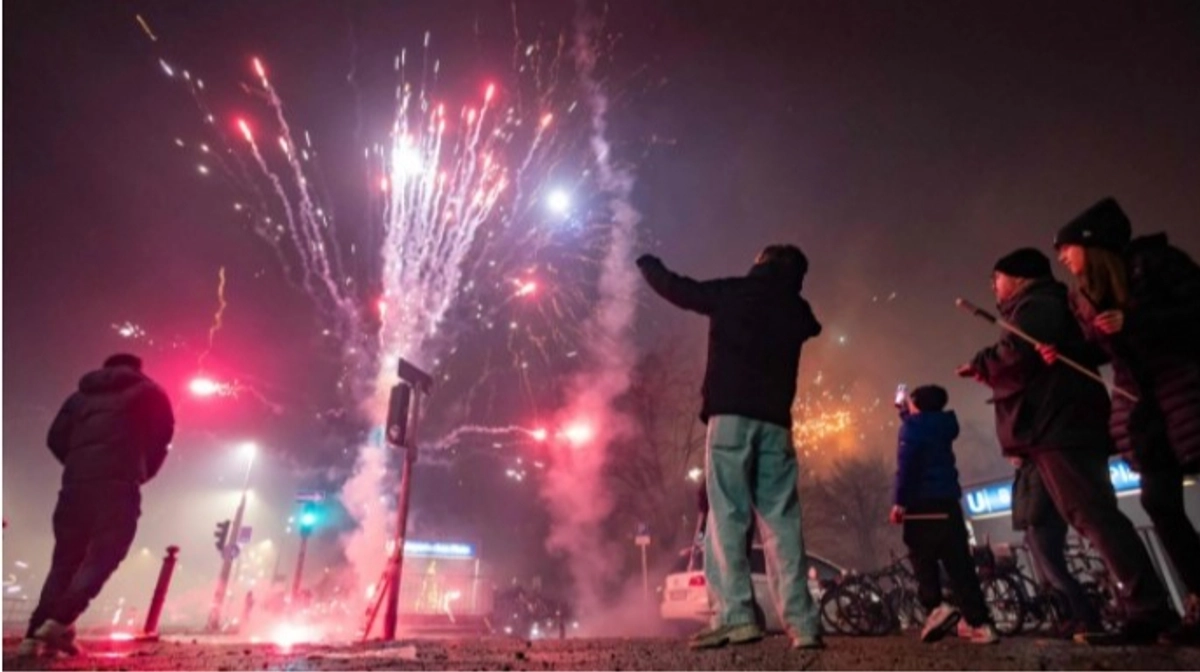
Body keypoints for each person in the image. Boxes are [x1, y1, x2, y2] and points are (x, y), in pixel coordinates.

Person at [958, 247, 1179, 644]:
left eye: (998, 277)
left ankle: (1148, 609)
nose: (993, 286)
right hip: (1057, 426)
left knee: (1094, 515)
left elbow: (1017, 355)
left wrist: (984, 363)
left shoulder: (1037, 305)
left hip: (1059, 427)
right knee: (1090, 516)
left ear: (1020, 277)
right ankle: (1143, 607)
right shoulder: (1041, 305)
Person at [637, 244, 824, 650]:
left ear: (761, 262)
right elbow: (813, 326)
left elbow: (679, 290)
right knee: (782, 522)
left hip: (730, 420)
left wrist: (648, 264)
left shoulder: (733, 293)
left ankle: (735, 617)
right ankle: (803, 625)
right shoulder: (797, 310)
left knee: (727, 517)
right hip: (776, 423)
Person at [1047, 197, 1200, 634]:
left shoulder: (1155, 266)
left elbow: (1192, 316)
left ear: (1092, 244)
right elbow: (1103, 349)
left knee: (1161, 500)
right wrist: (1067, 353)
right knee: (1159, 500)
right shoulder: (1087, 296)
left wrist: (1135, 322)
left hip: (1183, 394)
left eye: (1068, 247)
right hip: (1146, 413)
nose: (1063, 257)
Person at [19, 354, 174, 658]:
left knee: (64, 562)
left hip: (74, 487)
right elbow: (162, 438)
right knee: (106, 554)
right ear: (136, 369)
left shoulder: (78, 397)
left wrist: (80, 464)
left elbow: (54, 438)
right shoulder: (149, 392)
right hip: (118, 485)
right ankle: (60, 620)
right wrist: (141, 471)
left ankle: (33, 638)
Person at [889, 384, 998, 644]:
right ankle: (980, 623)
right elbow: (922, 429)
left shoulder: (912, 430)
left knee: (921, 555)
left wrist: (899, 503)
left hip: (921, 504)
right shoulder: (943, 426)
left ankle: (936, 606)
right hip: (948, 503)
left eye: (912, 402)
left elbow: (906, 468)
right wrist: (905, 412)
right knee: (960, 564)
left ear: (918, 405)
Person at [1010, 459, 1103, 638]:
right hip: (1034, 527)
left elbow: (1037, 500)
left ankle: (1086, 618)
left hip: (1043, 527)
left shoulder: (1035, 469)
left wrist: (1029, 521)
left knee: (1058, 576)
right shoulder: (1024, 472)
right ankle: (1069, 619)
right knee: (1052, 579)